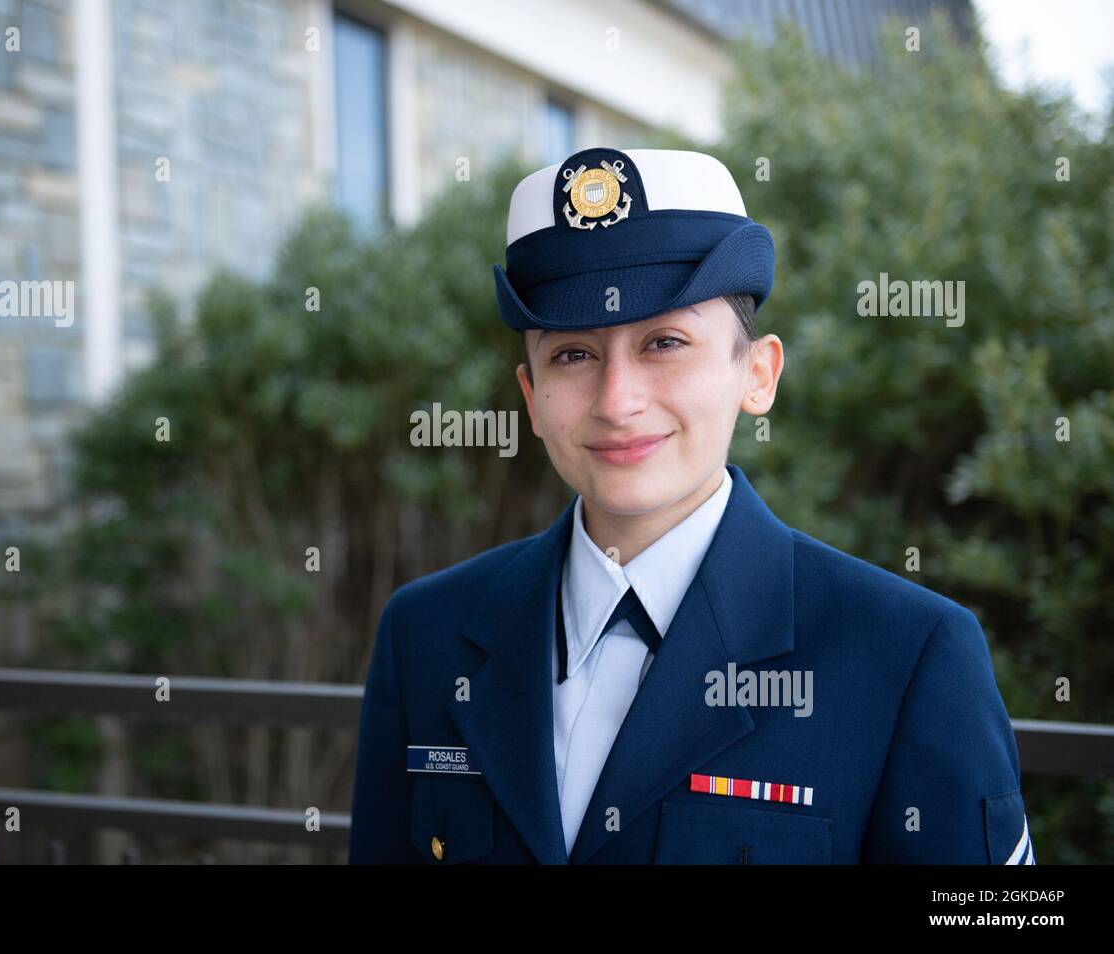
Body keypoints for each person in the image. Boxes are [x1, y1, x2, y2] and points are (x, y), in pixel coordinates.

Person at [348, 147, 1033, 864]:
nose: (618, 403)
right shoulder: (426, 637)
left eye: (664, 342)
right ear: (531, 400)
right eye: (574, 355)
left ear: (758, 374)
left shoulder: (907, 658)